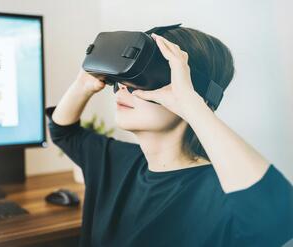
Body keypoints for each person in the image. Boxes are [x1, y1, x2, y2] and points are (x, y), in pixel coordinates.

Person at [45, 26, 293, 246]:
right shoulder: (115, 161)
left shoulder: (222, 193)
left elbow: (278, 219)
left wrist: (192, 105)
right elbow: (63, 132)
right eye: (123, 78)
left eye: (141, 80)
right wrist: (83, 84)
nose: (123, 87)